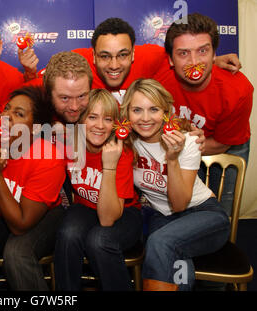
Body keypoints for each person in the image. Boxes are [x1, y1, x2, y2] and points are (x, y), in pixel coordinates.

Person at [121, 78, 230, 291]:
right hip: (164, 218)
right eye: (136, 110)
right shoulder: (127, 143)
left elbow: (179, 204)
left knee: (160, 242)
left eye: (153, 109)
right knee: (170, 251)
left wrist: (172, 159)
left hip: (204, 214)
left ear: (165, 111)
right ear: (127, 114)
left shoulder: (187, 141)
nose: (145, 118)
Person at [0, 86, 66, 291]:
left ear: (35, 128)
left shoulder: (48, 157)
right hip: (0, 211)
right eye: (6, 109)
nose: (6, 116)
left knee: (16, 253)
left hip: (40, 216)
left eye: (18, 114)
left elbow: (20, 224)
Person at [154, 13, 254, 216]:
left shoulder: (238, 90)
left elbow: (223, 143)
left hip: (224, 145)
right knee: (182, 211)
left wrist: (184, 145)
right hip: (183, 144)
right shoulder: (159, 78)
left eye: (202, 51)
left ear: (214, 53)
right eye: (183, 53)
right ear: (170, 59)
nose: (194, 62)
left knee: (220, 213)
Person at [54, 89, 142, 291]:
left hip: (124, 214)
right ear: (80, 119)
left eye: (108, 119)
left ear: (115, 124)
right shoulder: (69, 145)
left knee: (98, 240)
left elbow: (107, 219)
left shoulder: (121, 151)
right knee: (67, 234)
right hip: (85, 207)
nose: (100, 126)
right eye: (92, 117)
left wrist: (109, 165)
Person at [73, 17, 241, 104]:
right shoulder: (77, 62)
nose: (114, 65)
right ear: (93, 56)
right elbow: (49, 80)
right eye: (105, 56)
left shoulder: (150, 55)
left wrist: (212, 61)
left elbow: (182, 55)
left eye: (123, 55)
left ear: (133, 54)